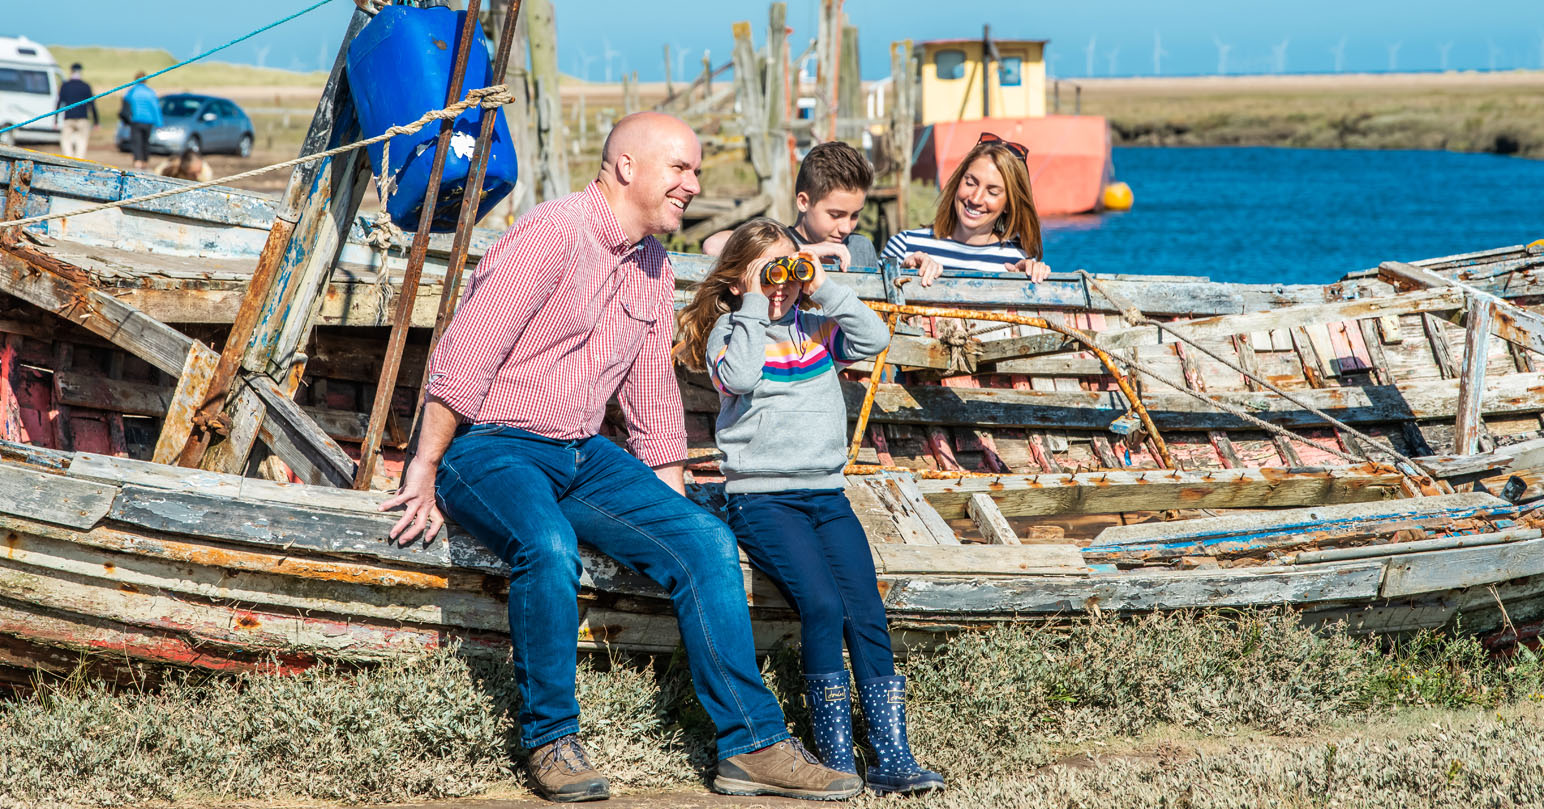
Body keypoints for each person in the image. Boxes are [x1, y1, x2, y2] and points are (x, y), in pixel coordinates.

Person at [381, 112, 862, 804]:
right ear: (628, 167)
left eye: (695, 171)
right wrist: (423, 470)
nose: (694, 184)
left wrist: (669, 512)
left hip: (581, 453)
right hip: (491, 447)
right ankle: (553, 737)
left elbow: (653, 402)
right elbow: (465, 356)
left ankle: (751, 746)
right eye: (681, 169)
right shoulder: (551, 233)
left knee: (704, 538)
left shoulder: (652, 264)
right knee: (547, 544)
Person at [676, 217, 947, 796]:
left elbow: (874, 340)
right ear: (737, 281)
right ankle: (834, 754)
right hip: (763, 499)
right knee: (822, 606)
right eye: (769, 272)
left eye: (789, 270)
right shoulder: (731, 331)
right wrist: (751, 302)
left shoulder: (818, 325)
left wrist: (820, 286)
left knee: (865, 610)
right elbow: (742, 376)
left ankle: (892, 755)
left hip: (825, 492)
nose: (782, 283)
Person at [881, 132, 1051, 287]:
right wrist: (902, 273)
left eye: (992, 192)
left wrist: (1029, 283)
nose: (975, 199)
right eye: (970, 183)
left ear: (1009, 204)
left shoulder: (1019, 259)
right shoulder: (903, 246)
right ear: (958, 182)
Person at [702, 140, 880, 269]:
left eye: (855, 215)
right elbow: (712, 246)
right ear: (803, 202)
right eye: (835, 215)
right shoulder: (780, 241)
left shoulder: (860, 249)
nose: (846, 228)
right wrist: (804, 251)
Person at [55, 63, 98, 160]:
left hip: (69, 118)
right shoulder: (86, 86)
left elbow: (59, 103)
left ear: (71, 71)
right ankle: (78, 160)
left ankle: (68, 159)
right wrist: (96, 121)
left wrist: (56, 120)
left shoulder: (65, 86)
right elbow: (92, 105)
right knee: (82, 142)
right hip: (82, 119)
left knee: (65, 141)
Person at [121, 73, 161, 170]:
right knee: (146, 142)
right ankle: (145, 162)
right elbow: (155, 107)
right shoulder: (150, 92)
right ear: (146, 80)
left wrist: (124, 121)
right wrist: (159, 122)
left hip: (136, 120)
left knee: (136, 142)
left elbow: (125, 107)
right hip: (149, 121)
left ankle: (137, 162)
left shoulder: (131, 91)